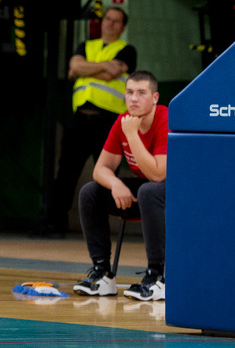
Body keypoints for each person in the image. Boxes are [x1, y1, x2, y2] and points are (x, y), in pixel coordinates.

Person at [72, 70, 166, 303]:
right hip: (147, 193)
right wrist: (116, 184)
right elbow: (100, 169)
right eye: (130, 92)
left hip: (177, 194)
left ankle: (157, 276)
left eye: (141, 93)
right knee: (90, 192)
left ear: (155, 98)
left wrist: (132, 135)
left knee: (148, 190)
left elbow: (157, 174)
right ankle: (102, 274)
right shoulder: (122, 121)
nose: (133, 99)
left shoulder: (165, 119)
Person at [44, 6, 136, 236]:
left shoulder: (127, 50)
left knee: (106, 175)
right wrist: (103, 66)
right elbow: (80, 66)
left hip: (109, 123)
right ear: (101, 22)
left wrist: (84, 69)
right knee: (66, 174)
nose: (110, 23)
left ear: (123, 27)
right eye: (108, 19)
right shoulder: (86, 45)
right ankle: (55, 225)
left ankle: (100, 228)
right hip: (79, 121)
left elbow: (109, 73)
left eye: (116, 21)